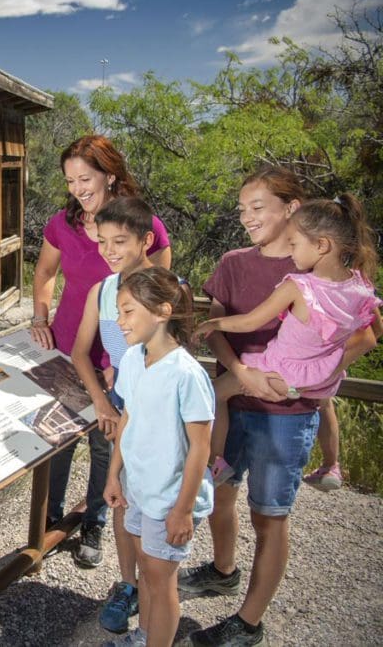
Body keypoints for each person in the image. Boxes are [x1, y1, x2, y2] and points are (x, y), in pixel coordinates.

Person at [178, 166, 378, 646]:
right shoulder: (233, 263)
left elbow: (367, 334)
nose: (247, 217)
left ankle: (248, 622)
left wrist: (315, 378)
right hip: (236, 393)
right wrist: (244, 374)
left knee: (269, 514)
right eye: (242, 209)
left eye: (258, 207)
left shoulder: (327, 272)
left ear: (292, 209)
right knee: (221, 493)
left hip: (286, 416)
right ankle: (223, 570)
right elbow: (223, 325)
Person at [31, 135, 171, 569]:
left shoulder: (141, 224)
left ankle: (92, 522)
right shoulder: (63, 223)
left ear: (110, 175)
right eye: (70, 179)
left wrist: (127, 357)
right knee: (57, 439)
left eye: (85, 177)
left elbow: (154, 292)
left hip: (118, 357)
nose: (77, 187)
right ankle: (49, 520)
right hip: (67, 344)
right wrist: (40, 317)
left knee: (104, 442)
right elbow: (45, 271)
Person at [196, 194, 382, 484]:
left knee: (213, 392)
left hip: (278, 368)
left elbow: (250, 321)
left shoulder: (298, 286)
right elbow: (373, 334)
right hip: (320, 378)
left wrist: (213, 322)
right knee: (325, 403)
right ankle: (331, 465)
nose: (291, 252)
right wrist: (325, 367)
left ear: (321, 245)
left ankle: (216, 462)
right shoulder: (361, 287)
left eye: (294, 244)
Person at [102, 267, 215, 647]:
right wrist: (114, 475)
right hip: (138, 486)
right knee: (147, 571)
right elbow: (127, 417)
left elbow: (201, 446)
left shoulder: (187, 374)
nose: (119, 322)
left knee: (160, 578)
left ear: (163, 311)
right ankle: (144, 636)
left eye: (128, 311)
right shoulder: (134, 359)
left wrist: (182, 510)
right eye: (119, 311)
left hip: (169, 496)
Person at [70, 196, 158, 632]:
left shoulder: (167, 290)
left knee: (153, 500)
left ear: (145, 240)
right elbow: (80, 352)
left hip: (156, 411)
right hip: (118, 405)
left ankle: (157, 589)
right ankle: (128, 584)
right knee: (120, 494)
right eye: (102, 240)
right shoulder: (102, 291)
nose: (108, 249)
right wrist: (102, 402)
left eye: (119, 240)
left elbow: (174, 358)